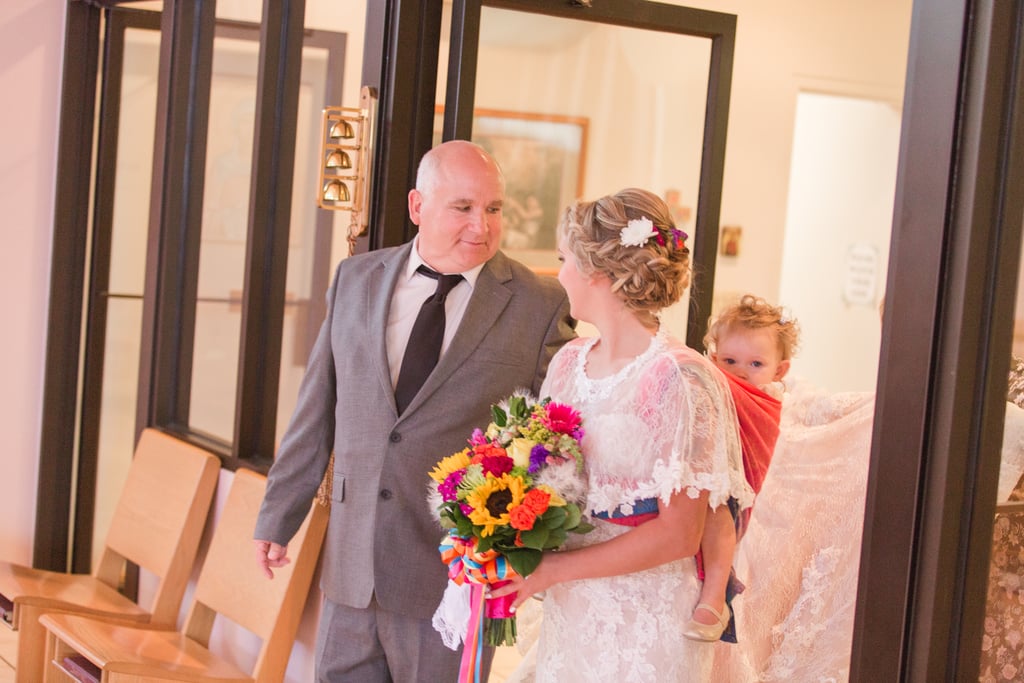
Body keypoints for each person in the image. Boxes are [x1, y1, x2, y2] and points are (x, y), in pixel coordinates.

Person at [252, 140, 576, 682]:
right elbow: (318, 408)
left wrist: (523, 547)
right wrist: (278, 515)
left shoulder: (540, 303)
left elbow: (551, 442)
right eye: (463, 207)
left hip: (453, 577)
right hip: (352, 567)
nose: (482, 225)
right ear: (416, 206)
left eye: (494, 209)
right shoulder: (356, 279)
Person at [491, 187, 754, 681]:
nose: (559, 273)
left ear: (597, 272)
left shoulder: (681, 378)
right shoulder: (568, 363)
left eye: (564, 259)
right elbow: (540, 472)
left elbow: (679, 534)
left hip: (646, 619)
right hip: (571, 613)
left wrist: (553, 570)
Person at [684, 295, 801, 642]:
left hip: (734, 491)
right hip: (709, 476)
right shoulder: (713, 386)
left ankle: (716, 598)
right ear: (714, 358)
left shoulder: (762, 400)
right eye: (730, 361)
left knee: (717, 511)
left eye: (755, 364)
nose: (738, 373)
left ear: (779, 371)